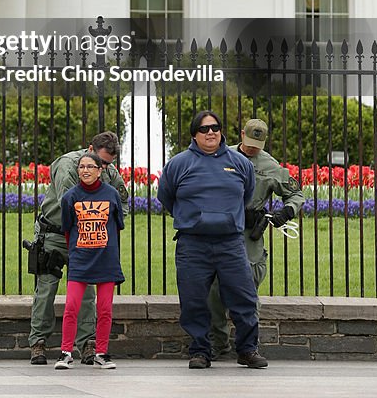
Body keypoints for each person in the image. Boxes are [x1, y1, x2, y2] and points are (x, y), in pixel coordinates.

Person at [156, 110, 268, 370]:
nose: (211, 133)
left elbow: (247, 194)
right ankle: (199, 351)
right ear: (195, 134)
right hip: (192, 244)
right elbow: (167, 197)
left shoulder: (239, 163)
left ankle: (247, 350)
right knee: (194, 300)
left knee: (244, 297)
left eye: (215, 128)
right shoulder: (178, 164)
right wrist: (193, 218)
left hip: (230, 243)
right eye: (205, 129)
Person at [28, 130, 129, 366]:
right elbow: (70, 204)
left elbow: (121, 201)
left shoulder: (107, 169)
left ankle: (87, 345)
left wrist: (108, 225)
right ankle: (38, 342)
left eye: (108, 164)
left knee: (86, 295)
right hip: (56, 233)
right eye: (102, 162)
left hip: (89, 237)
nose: (104, 168)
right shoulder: (68, 165)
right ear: (91, 150)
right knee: (46, 289)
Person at [208, 117, 304, 360]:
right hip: (219, 229)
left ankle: (248, 347)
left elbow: (296, 194)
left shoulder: (270, 165)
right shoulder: (221, 156)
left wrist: (286, 212)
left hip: (248, 236)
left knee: (247, 290)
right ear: (242, 134)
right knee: (214, 288)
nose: (252, 148)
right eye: (249, 142)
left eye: (257, 144)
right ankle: (217, 343)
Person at [54, 152, 124, 370]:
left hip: (106, 260)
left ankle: (101, 353)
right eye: (82, 167)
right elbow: (67, 229)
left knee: (104, 309)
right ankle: (66, 352)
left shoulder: (112, 194)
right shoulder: (70, 197)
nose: (85, 170)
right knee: (71, 307)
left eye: (90, 167)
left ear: (100, 170)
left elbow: (117, 225)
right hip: (80, 260)